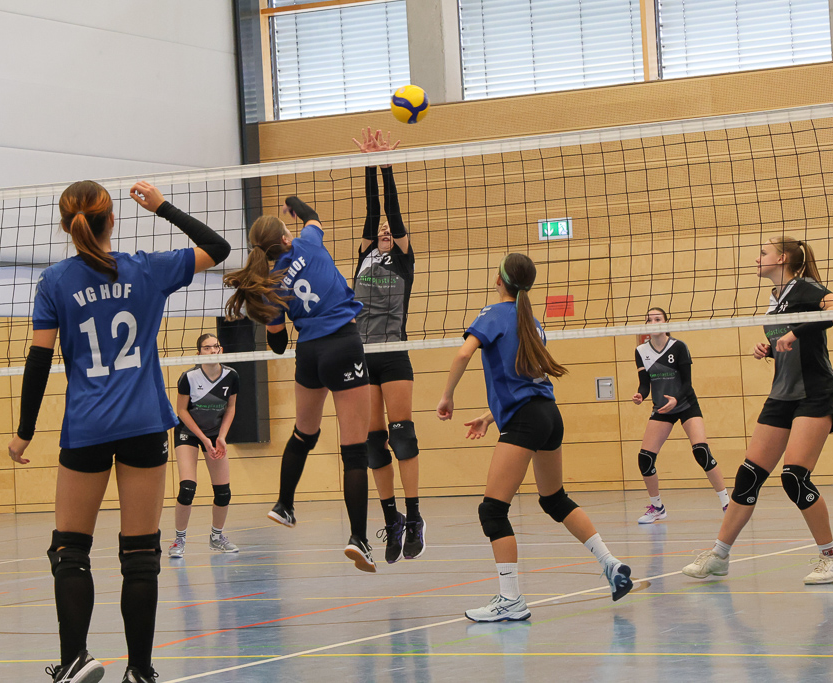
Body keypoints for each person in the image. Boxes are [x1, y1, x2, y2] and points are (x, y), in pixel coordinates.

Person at [7, 179, 230, 683]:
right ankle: (141, 671)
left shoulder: (55, 281)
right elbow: (218, 248)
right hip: (144, 423)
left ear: (67, 225)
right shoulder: (147, 268)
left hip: (87, 425)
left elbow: (38, 361)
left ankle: (75, 660)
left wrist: (24, 431)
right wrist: (162, 206)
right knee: (141, 552)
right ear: (113, 219)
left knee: (69, 548)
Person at [437, 253, 634, 622]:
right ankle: (610, 563)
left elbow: (463, 354)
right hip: (548, 415)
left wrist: (446, 396)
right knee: (554, 499)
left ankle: (510, 599)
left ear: (499, 280)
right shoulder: (531, 321)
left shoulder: (492, 314)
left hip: (526, 420)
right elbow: (525, 382)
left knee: (492, 510)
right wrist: (489, 417)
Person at [223, 196, 376, 572]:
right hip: (343, 344)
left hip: (309, 354)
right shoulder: (308, 242)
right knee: (355, 450)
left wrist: (272, 315)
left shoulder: (268, 285)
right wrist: (294, 204)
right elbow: (313, 216)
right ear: (286, 238)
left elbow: (277, 345)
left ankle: (284, 504)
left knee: (304, 433)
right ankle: (358, 538)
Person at [683, 236, 833, 585]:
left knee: (794, 477)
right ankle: (719, 556)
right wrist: (771, 349)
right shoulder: (776, 298)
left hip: (814, 393)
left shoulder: (805, 288)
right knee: (748, 475)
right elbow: (791, 343)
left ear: (783, 258)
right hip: (782, 395)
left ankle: (831, 558)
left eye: (763, 253)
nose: (757, 258)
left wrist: (795, 333)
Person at [351, 128, 425, 563]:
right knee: (373, 443)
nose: (383, 229)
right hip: (362, 355)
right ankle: (391, 518)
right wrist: (367, 165)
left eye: (388, 230)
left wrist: (386, 168)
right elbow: (370, 211)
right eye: (378, 229)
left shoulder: (403, 260)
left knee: (403, 437)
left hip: (393, 352)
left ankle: (414, 517)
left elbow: (391, 214)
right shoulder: (363, 256)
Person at [631, 307, 729, 523]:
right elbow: (645, 384)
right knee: (645, 459)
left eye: (658, 319)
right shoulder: (641, 351)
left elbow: (687, 383)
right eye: (649, 320)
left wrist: (676, 398)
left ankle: (727, 503)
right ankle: (657, 508)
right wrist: (640, 395)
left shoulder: (678, 347)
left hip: (685, 404)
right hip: (662, 408)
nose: (653, 322)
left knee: (701, 452)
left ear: (666, 323)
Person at [168, 333, 240, 558]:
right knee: (187, 488)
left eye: (215, 346)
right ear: (199, 352)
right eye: (207, 347)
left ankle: (216, 537)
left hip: (215, 432)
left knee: (223, 492)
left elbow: (231, 408)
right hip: (188, 432)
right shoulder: (188, 377)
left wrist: (222, 437)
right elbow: (181, 411)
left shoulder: (231, 376)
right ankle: (179, 540)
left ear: (221, 349)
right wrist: (204, 439)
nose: (212, 351)